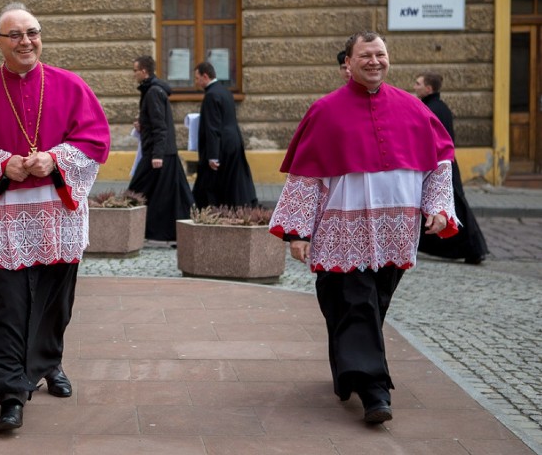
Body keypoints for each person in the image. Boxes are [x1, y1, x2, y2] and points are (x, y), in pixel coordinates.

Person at [269, 31, 459, 425]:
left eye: (380, 54)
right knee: (358, 303)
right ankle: (374, 391)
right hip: (343, 232)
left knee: (372, 304)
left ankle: (347, 369)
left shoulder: (413, 107)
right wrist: (299, 231)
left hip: (396, 231)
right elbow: (306, 177)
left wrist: (439, 209)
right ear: (348, 64)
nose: (374, 61)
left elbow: (439, 163)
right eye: (365, 55)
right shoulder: (325, 110)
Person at [0, 2, 110, 431]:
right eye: (14, 35)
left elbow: (94, 139)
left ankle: (50, 363)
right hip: (6, 218)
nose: (26, 41)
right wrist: (2, 165)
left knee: (56, 298)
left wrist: (55, 159)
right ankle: (12, 392)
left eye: (32, 32)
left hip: (58, 213)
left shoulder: (70, 85)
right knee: (8, 304)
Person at [413, 72, 488, 264]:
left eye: (418, 83)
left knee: (457, 209)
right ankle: (473, 249)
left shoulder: (432, 109)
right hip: (443, 164)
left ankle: (474, 249)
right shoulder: (439, 107)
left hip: (440, 166)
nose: (415, 87)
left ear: (428, 88)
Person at [127, 55, 193, 243]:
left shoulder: (153, 92)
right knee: (173, 195)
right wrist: (143, 125)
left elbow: (161, 126)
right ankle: (179, 232)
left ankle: (130, 228)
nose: (134, 74)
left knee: (137, 190)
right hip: (163, 152)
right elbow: (155, 122)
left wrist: (157, 155)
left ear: (144, 71)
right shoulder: (151, 90)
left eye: (135, 70)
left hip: (158, 154)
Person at [191, 61, 258, 209]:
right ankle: (238, 210)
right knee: (232, 183)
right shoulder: (225, 91)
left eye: (197, 78)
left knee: (211, 186)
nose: (196, 82)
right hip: (233, 142)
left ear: (205, 76)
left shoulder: (210, 95)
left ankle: (209, 215)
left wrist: (213, 156)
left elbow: (212, 127)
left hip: (221, 147)